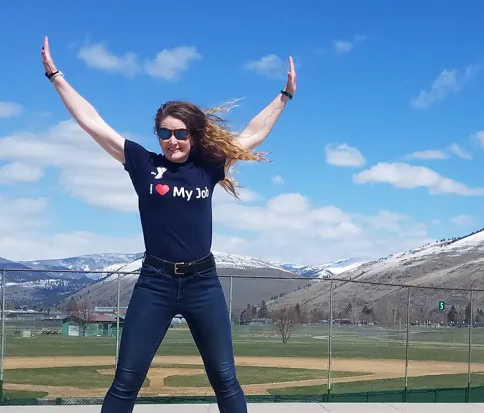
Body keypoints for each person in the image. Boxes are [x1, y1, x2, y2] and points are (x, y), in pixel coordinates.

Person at [40, 36, 296, 413]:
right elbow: (93, 123)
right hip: (155, 283)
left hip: (203, 283)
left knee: (225, 379)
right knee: (126, 381)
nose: (172, 140)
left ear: (192, 134)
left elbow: (253, 134)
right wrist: (56, 76)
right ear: (157, 135)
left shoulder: (209, 165)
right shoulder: (143, 164)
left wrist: (284, 96)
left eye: (180, 133)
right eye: (164, 133)